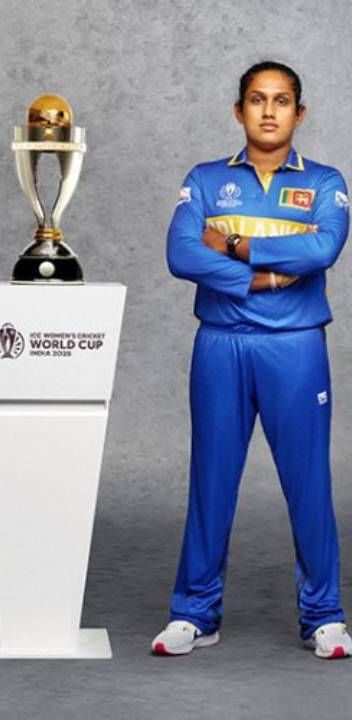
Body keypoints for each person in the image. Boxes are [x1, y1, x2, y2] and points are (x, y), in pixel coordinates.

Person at [158, 60, 350, 659]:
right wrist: (261, 278)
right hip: (221, 344)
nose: (269, 111)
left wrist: (236, 245)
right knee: (211, 481)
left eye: (282, 100)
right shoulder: (206, 179)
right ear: (239, 110)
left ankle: (324, 616)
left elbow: (323, 248)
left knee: (309, 483)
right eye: (258, 100)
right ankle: (194, 613)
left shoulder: (324, 182)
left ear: (300, 112)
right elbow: (181, 253)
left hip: (294, 348)